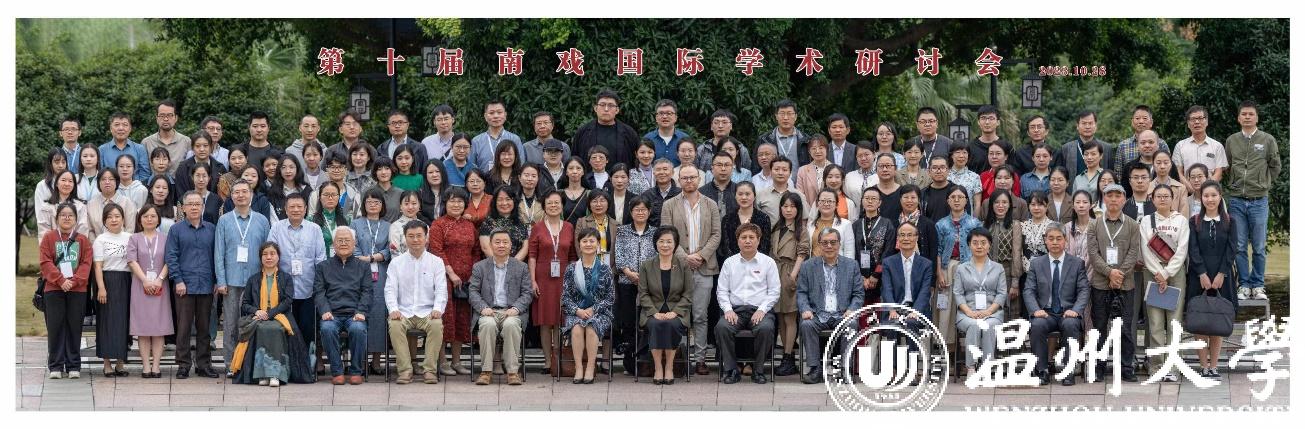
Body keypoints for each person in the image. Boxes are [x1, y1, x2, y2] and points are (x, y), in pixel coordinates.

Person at [661, 165, 722, 376]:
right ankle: (679, 358)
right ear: (678, 180)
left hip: (705, 267)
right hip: (678, 267)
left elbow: (716, 234)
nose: (689, 181)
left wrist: (701, 256)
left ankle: (700, 359)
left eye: (692, 177)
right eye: (684, 178)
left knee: (700, 316)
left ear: (699, 179)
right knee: (677, 313)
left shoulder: (711, 204)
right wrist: (685, 257)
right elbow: (666, 235)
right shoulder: (669, 205)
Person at [229, 242, 313, 386]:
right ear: (260, 258)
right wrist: (257, 311)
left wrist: (269, 314)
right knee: (261, 328)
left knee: (274, 328)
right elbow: (245, 304)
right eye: (265, 254)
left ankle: (275, 374)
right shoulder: (253, 279)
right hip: (258, 316)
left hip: (281, 316)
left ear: (278, 257)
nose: (269, 257)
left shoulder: (286, 278)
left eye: (272, 254)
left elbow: (287, 301)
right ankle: (262, 375)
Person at [1084, 183, 1141, 383]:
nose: (1114, 199)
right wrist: (1110, 273)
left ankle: (1126, 367)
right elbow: (1093, 254)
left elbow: (1133, 253)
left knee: (1125, 327)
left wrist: (1119, 274)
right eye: (1110, 195)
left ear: (1124, 199)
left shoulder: (1133, 225)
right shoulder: (1094, 224)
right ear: (1104, 199)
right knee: (1100, 326)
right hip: (1100, 283)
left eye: (1118, 195)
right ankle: (1099, 367)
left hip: (1125, 284)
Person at [267, 193, 328, 374]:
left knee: (308, 328)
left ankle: (307, 365)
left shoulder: (314, 229)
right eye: (291, 207)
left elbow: (320, 259)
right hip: (283, 289)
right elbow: (271, 254)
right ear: (285, 210)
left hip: (308, 287)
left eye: (299, 207)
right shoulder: (277, 228)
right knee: (285, 328)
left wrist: (319, 286)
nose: (295, 210)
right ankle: (287, 365)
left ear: (305, 209)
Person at [1224, 101, 1279, 301]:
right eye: (1244, 114)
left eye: (1251, 114)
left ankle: (1258, 285)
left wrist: (1263, 184)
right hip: (1237, 200)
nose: (1247, 117)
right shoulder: (1232, 140)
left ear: (1256, 117)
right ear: (1239, 118)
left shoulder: (1267, 139)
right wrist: (1235, 183)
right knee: (1239, 246)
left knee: (1259, 246)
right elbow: (1228, 165)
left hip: (1259, 201)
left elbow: (1275, 166)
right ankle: (1244, 285)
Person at [213, 180, 271, 371]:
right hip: (231, 281)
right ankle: (231, 364)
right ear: (231, 196)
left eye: (244, 191)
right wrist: (221, 280)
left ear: (251, 195)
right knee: (231, 324)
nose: (240, 195)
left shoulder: (262, 220)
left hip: (255, 281)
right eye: (236, 192)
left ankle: (252, 364)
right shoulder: (224, 220)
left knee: (254, 323)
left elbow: (268, 252)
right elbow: (219, 252)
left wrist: (266, 278)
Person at [796, 227, 864, 384]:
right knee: (806, 324)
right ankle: (815, 369)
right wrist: (805, 309)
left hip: (842, 313)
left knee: (851, 324)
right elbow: (801, 293)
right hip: (817, 313)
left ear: (839, 244)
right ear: (819, 245)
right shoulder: (808, 266)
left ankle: (844, 369)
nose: (829, 246)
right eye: (825, 243)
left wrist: (852, 309)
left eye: (833, 242)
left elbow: (858, 294)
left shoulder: (851, 265)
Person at [1023, 225, 1090, 386]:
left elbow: (1084, 290)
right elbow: (1028, 290)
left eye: (1059, 238)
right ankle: (1042, 370)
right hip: (1045, 313)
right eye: (1051, 238)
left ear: (1065, 241)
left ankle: (1068, 370)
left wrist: (1076, 310)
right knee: (1037, 325)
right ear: (1045, 241)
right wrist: (1035, 310)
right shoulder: (1036, 264)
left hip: (1068, 312)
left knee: (1071, 325)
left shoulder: (1076, 263)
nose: (1054, 242)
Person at [715, 223, 781, 384]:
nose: (747, 241)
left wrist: (762, 310)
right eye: (743, 237)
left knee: (766, 328)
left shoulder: (768, 262)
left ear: (758, 240)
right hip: (735, 311)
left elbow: (774, 291)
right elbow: (722, 291)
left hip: (760, 310)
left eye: (752, 237)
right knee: (722, 327)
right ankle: (731, 370)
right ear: (738, 241)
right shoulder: (729, 263)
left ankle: (758, 370)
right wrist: (728, 310)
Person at [385, 220, 448, 385]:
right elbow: (390, 289)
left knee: (436, 325)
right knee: (395, 325)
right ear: (405, 238)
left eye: (419, 236)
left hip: (427, 312)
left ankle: (429, 370)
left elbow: (441, 289)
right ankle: (405, 370)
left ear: (426, 238)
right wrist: (393, 309)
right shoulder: (396, 263)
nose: (415, 240)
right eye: (411, 236)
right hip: (403, 311)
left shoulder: (436, 262)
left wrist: (437, 309)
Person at [165, 191, 219, 379]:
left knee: (205, 328)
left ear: (203, 207)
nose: (194, 207)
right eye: (190, 204)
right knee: (184, 327)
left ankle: (204, 364)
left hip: (206, 284)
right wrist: (178, 280)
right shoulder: (176, 230)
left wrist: (216, 280)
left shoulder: (212, 229)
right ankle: (183, 364)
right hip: (184, 285)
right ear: (184, 208)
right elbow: (171, 256)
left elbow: (217, 256)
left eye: (198, 204)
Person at [469, 229, 534, 386]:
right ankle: (486, 372)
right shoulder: (480, 267)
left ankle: (512, 372)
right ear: (491, 245)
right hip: (489, 311)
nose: (501, 245)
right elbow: (473, 291)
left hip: (511, 312)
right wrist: (483, 308)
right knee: (487, 325)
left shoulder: (521, 267)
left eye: (505, 242)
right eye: (497, 242)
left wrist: (516, 308)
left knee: (511, 325)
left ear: (511, 245)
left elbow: (527, 293)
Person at [1187, 181, 1238, 378]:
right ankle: (1203, 366)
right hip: (1198, 276)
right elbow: (1193, 249)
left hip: (1222, 277)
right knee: (1200, 320)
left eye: (1213, 195)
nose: (1210, 199)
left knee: (1217, 320)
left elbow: (1232, 249)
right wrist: (1201, 273)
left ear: (1220, 197)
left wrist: (1221, 273)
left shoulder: (1230, 221)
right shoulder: (1194, 221)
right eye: (1206, 196)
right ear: (1201, 198)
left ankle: (1214, 366)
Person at [429, 188, 481, 376]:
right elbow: (436, 250)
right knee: (445, 319)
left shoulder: (469, 226)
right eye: (452, 201)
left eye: (460, 201)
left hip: (466, 281)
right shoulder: (438, 225)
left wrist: (473, 273)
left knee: (461, 320)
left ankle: (457, 361)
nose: (456, 204)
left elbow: (476, 251)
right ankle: (442, 361)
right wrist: (450, 273)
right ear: (445, 203)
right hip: (444, 279)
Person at [1140, 185, 1189, 381]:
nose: (1162, 199)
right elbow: (1145, 249)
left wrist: (1167, 272)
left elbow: (1182, 250)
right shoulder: (1146, 221)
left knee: (1174, 322)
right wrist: (1158, 273)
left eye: (1166, 196)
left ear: (1173, 198)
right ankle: (1156, 365)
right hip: (1152, 273)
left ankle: (1173, 367)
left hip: (1175, 274)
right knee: (1155, 322)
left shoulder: (1181, 221)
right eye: (1158, 196)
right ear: (1152, 199)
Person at [40, 203, 94, 379]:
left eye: (70, 215)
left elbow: (86, 263)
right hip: (53, 289)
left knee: (74, 327)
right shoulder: (49, 238)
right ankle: (55, 366)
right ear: (57, 219)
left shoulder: (82, 240)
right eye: (63, 215)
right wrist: (61, 280)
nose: (67, 218)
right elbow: (45, 262)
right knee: (55, 327)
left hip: (77, 290)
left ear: (76, 220)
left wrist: (74, 281)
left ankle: (73, 366)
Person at [314, 226, 373, 385]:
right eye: (339, 240)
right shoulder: (323, 267)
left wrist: (361, 311)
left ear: (354, 243)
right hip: (332, 314)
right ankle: (337, 371)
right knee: (327, 328)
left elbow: (367, 292)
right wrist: (324, 310)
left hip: (355, 313)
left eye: (347, 240)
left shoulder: (363, 266)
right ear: (333, 244)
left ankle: (356, 371)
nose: (343, 243)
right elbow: (319, 292)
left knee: (358, 329)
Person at [528, 191, 576, 374]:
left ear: (562, 206)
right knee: (545, 321)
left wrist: (572, 281)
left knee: (560, 319)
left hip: (564, 277)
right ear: (544, 206)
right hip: (542, 277)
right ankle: (548, 361)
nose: (553, 206)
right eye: (550, 203)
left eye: (557, 203)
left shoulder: (569, 227)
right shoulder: (537, 227)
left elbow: (572, 256)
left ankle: (558, 359)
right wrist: (532, 280)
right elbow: (532, 256)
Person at [638, 226, 692, 384]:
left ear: (675, 244)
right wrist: (654, 312)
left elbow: (688, 293)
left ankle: (669, 367)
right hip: (652, 311)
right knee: (656, 324)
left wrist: (675, 312)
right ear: (656, 243)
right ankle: (658, 368)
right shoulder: (647, 265)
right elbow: (643, 293)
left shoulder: (683, 265)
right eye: (661, 241)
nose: (665, 245)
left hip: (677, 312)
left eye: (669, 241)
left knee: (670, 324)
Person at [561, 227, 616, 384]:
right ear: (579, 244)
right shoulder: (571, 269)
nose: (588, 244)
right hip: (576, 312)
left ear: (598, 244)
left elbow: (610, 297)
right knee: (577, 328)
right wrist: (577, 311)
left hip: (600, 313)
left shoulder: (605, 269)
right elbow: (565, 296)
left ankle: (591, 367)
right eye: (584, 241)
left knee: (592, 327)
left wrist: (593, 309)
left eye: (592, 241)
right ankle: (579, 368)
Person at [126, 204, 174, 378]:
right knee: (143, 328)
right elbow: (132, 261)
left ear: (158, 219)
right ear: (140, 219)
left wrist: (159, 279)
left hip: (161, 286)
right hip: (140, 286)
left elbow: (170, 260)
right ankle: (146, 366)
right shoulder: (134, 238)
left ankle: (156, 366)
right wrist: (145, 280)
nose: (149, 219)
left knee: (159, 327)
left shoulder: (166, 238)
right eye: (145, 216)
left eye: (153, 216)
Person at [951, 228, 1006, 376]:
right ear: (969, 245)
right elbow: (958, 293)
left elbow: (1001, 293)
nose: (979, 246)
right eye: (975, 243)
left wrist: (988, 311)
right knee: (975, 325)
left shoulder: (998, 268)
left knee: (988, 325)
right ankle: (971, 367)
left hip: (992, 313)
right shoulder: (961, 268)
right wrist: (969, 312)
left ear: (989, 245)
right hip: (967, 313)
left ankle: (987, 366)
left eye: (983, 242)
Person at [933, 186, 981, 350]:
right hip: (948, 267)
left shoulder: (974, 223)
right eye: (953, 197)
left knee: (969, 305)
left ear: (966, 201)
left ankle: (969, 349)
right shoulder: (941, 224)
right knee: (945, 308)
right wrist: (939, 273)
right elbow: (938, 250)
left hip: (969, 266)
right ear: (947, 200)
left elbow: (979, 248)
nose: (956, 200)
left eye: (960, 197)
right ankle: (947, 348)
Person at [352, 189, 392, 374]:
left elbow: (391, 248)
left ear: (382, 205)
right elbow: (352, 246)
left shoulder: (388, 225)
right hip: (359, 272)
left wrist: (375, 257)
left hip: (381, 272)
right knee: (360, 313)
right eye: (369, 202)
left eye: (377, 202)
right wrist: (363, 258)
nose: (373, 205)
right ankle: (360, 359)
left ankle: (376, 360)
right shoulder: (356, 223)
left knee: (378, 314)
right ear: (364, 205)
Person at [769, 192, 810, 377]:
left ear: (798, 209)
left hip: (790, 272)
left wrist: (794, 275)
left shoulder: (801, 229)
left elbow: (803, 252)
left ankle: (788, 356)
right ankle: (787, 356)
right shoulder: (776, 227)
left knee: (790, 318)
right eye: (785, 206)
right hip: (775, 272)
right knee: (780, 317)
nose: (788, 210)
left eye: (792, 206)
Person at [615, 198, 656, 373]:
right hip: (626, 281)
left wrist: (645, 277)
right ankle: (629, 362)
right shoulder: (622, 231)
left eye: (643, 209)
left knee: (646, 321)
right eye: (637, 209)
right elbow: (618, 254)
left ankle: (645, 360)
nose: (640, 212)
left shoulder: (655, 232)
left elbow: (658, 255)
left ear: (649, 212)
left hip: (650, 284)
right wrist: (628, 272)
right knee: (629, 322)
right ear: (631, 212)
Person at [879, 222, 935, 351]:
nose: (906, 238)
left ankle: (912, 361)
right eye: (902, 235)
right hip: (895, 308)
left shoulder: (926, 264)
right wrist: (892, 309)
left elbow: (925, 292)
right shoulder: (888, 262)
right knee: (892, 324)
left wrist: (915, 311)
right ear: (898, 238)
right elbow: (886, 288)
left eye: (910, 235)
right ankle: (893, 363)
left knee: (911, 323)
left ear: (916, 238)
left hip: (917, 309)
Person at [92, 203, 132, 377]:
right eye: (109, 217)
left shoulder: (130, 238)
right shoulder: (100, 240)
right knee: (107, 322)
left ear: (123, 219)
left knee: (124, 322)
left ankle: (120, 363)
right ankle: (107, 363)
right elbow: (98, 266)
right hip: (107, 281)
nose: (114, 220)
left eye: (117, 216)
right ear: (104, 221)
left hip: (126, 281)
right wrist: (101, 288)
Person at [984, 190, 1024, 319]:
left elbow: (1017, 253)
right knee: (987, 308)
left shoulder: (1015, 225)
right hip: (987, 273)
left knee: (1008, 310)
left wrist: (1015, 282)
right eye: (997, 202)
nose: (1000, 206)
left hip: (1006, 272)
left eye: (1004, 202)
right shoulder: (985, 225)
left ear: (1010, 205)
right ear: (991, 204)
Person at [1174, 105, 1228, 191]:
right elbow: (1178, 172)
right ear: (1188, 124)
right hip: (1187, 193)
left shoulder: (1217, 146)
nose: (1197, 122)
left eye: (1200, 118)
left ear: (1207, 122)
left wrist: (1206, 189)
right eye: (1193, 119)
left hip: (1211, 193)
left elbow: (1219, 173)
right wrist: (1192, 190)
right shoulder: (1180, 146)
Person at [719, 182, 772, 264]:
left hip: (758, 265)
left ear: (754, 196)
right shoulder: (727, 219)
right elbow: (725, 246)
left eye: (747, 194)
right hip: (733, 265)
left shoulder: (764, 218)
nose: (744, 197)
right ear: (735, 196)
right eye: (740, 194)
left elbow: (765, 246)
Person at [1112, 105, 1170, 178]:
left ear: (1151, 122)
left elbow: (1169, 169)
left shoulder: (1161, 144)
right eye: (1137, 118)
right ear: (1132, 122)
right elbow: (1118, 174)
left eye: (1145, 118)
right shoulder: (1123, 146)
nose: (1141, 121)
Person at [756, 99, 812, 168]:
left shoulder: (806, 140)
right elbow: (756, 166)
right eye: (782, 114)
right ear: (776, 116)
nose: (785, 118)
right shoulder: (764, 139)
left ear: (795, 117)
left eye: (789, 113)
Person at [478, 187, 530, 261]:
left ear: (514, 201)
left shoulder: (520, 223)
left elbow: (525, 248)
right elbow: (485, 248)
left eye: (508, 199)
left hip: (517, 265)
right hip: (493, 265)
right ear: (495, 202)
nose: (504, 203)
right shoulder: (487, 223)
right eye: (500, 200)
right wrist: (500, 263)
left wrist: (512, 264)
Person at [470, 99, 523, 172]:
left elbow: (521, 165)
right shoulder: (476, 141)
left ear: (505, 115)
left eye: (499, 112)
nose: (496, 116)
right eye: (491, 113)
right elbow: (471, 167)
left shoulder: (514, 139)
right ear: (485, 116)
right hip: (483, 179)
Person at [37, 170, 90, 239]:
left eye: (70, 181)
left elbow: (83, 231)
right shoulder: (46, 207)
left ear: (74, 185)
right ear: (56, 183)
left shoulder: (81, 207)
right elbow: (43, 233)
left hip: (75, 245)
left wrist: (73, 244)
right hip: (51, 244)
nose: (67, 184)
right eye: (63, 180)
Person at [87, 169, 138, 240]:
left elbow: (130, 229)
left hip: (122, 244)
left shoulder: (127, 203)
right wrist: (96, 244)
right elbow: (90, 230)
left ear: (117, 182)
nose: (107, 182)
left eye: (111, 179)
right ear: (98, 183)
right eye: (103, 179)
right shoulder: (91, 204)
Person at [98, 112, 150, 181]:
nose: (121, 128)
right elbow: (100, 174)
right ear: (111, 128)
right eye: (117, 125)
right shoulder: (102, 150)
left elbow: (145, 175)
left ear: (130, 128)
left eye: (125, 125)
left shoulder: (140, 149)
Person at [309, 152, 361, 219]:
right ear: (327, 170)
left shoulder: (354, 194)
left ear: (346, 170)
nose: (336, 170)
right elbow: (311, 218)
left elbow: (358, 219)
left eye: (340, 167)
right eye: (332, 167)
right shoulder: (316, 194)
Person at [807, 188, 855, 258]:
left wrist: (847, 265)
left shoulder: (846, 224)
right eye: (823, 201)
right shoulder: (810, 225)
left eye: (830, 201)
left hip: (837, 264)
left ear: (836, 205)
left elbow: (849, 251)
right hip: (813, 263)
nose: (826, 204)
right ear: (817, 204)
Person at [575, 190, 615, 267]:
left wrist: (612, 270)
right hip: (587, 267)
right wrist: (587, 266)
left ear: (608, 204)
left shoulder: (616, 225)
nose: (598, 204)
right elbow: (578, 246)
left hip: (610, 268)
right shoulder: (582, 222)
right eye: (594, 201)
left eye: (602, 201)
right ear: (589, 204)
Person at [645, 99, 689, 164]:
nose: (665, 116)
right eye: (661, 113)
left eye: (669, 113)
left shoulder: (685, 139)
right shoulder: (648, 138)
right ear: (656, 118)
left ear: (675, 118)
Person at [312, 182, 351, 253]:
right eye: (326, 195)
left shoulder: (347, 220)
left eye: (334, 194)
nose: (330, 198)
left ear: (339, 197)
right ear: (320, 197)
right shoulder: (311, 220)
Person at [268, 154, 310, 221]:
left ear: (297, 169)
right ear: (279, 170)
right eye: (283, 167)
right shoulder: (273, 191)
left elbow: (310, 215)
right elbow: (273, 218)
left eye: (291, 167)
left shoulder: (306, 190)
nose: (288, 171)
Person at [1149, 151, 1189, 218]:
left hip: (1175, 224)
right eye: (1158, 163)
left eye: (1166, 163)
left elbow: (1184, 216)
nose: (1162, 166)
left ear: (1171, 165)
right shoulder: (1146, 188)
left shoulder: (1181, 188)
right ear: (1153, 165)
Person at [796, 134, 832, 204]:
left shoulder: (835, 169)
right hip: (809, 209)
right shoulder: (802, 170)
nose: (817, 151)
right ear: (809, 151)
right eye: (814, 148)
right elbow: (800, 196)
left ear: (827, 149)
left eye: (821, 148)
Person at [560, 157, 591, 225]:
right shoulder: (558, 194)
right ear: (566, 172)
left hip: (584, 231)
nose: (574, 171)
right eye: (571, 168)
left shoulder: (590, 194)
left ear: (583, 172)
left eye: (578, 168)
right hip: (563, 231)